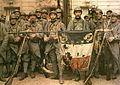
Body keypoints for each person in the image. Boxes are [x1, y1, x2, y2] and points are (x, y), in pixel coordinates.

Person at [44, 10, 65, 83]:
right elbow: (45, 33)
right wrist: (45, 38)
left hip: (58, 44)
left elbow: (65, 35)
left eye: (54, 15)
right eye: (51, 15)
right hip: (50, 44)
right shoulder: (47, 24)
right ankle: (55, 74)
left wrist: (58, 38)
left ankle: (61, 76)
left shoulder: (60, 24)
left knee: (59, 60)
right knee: (53, 60)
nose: (52, 16)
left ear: (56, 16)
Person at [106, 12, 120, 79]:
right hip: (108, 44)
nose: (113, 18)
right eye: (112, 17)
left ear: (117, 18)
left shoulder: (119, 25)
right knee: (108, 59)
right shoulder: (108, 25)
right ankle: (108, 74)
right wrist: (107, 38)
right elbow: (106, 33)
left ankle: (114, 73)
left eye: (114, 17)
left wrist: (114, 38)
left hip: (115, 44)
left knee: (115, 58)